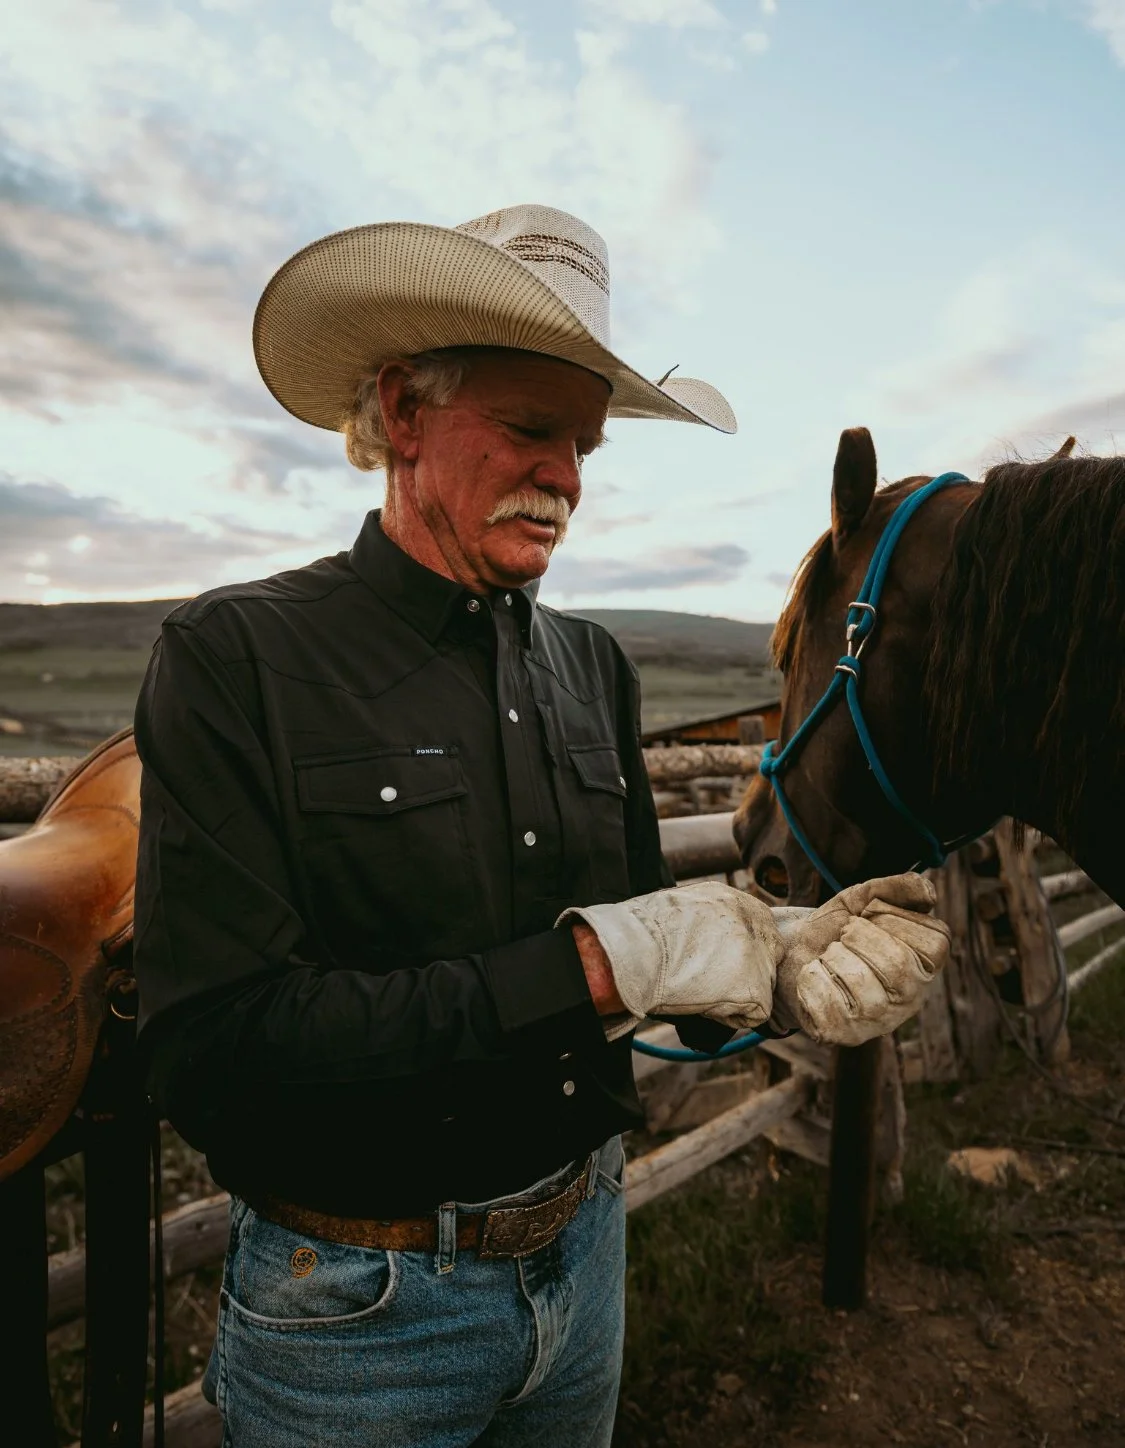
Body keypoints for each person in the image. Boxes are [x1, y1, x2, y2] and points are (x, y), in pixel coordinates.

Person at [134, 204, 949, 1448]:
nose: (567, 477)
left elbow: (640, 971)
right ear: (403, 412)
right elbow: (218, 1048)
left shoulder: (592, 666)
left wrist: (778, 970)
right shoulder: (238, 656)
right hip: (359, 1316)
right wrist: (593, 960)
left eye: (584, 444)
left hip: (585, 1257)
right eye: (528, 429)